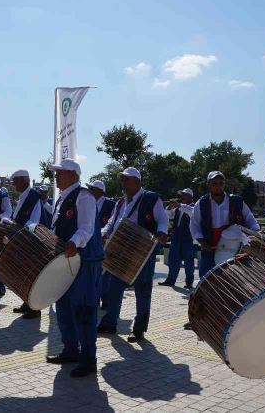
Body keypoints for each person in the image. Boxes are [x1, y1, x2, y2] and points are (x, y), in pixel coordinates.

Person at [45, 159, 104, 378]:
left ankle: (89, 360)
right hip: (65, 262)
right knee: (64, 309)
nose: (56, 176)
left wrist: (74, 243)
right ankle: (71, 350)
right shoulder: (61, 198)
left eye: (60, 172)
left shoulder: (84, 196)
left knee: (84, 311)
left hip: (84, 262)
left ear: (72, 174)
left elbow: (86, 229)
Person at [97, 167, 168, 343]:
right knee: (114, 288)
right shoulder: (120, 202)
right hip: (121, 249)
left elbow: (163, 219)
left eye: (126, 180)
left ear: (137, 182)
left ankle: (139, 329)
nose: (123, 183)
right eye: (122, 179)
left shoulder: (151, 198)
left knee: (143, 290)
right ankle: (110, 323)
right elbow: (112, 222)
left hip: (142, 250)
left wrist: (161, 232)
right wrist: (103, 232)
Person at [190, 171, 260, 277]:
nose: (218, 186)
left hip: (234, 249)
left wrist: (256, 233)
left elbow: (250, 219)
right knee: (206, 281)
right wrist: (202, 242)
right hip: (209, 249)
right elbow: (194, 225)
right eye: (215, 184)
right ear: (208, 184)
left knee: (232, 282)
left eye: (221, 183)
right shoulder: (201, 203)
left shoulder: (237, 201)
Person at [4, 169, 47, 319]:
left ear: (24, 180)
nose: (14, 184)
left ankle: (35, 308)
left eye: (15, 181)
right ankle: (27, 303)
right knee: (25, 276)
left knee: (33, 276)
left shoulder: (33, 196)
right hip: (24, 240)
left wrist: (17, 228)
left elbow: (34, 221)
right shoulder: (24, 196)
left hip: (32, 243)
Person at [86, 180, 115, 309]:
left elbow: (113, 223)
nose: (89, 191)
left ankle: (106, 300)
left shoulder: (111, 205)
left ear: (99, 191)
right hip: (91, 244)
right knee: (94, 273)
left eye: (91, 188)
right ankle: (95, 299)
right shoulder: (88, 203)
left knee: (105, 274)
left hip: (105, 243)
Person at [160, 188, 196, 289]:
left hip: (188, 239)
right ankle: (170, 280)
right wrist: (169, 207)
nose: (182, 197)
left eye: (184, 195)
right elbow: (167, 215)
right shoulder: (178, 208)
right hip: (176, 237)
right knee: (173, 259)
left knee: (189, 261)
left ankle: (189, 282)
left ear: (190, 196)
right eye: (181, 195)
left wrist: (179, 205)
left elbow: (191, 213)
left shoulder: (194, 208)